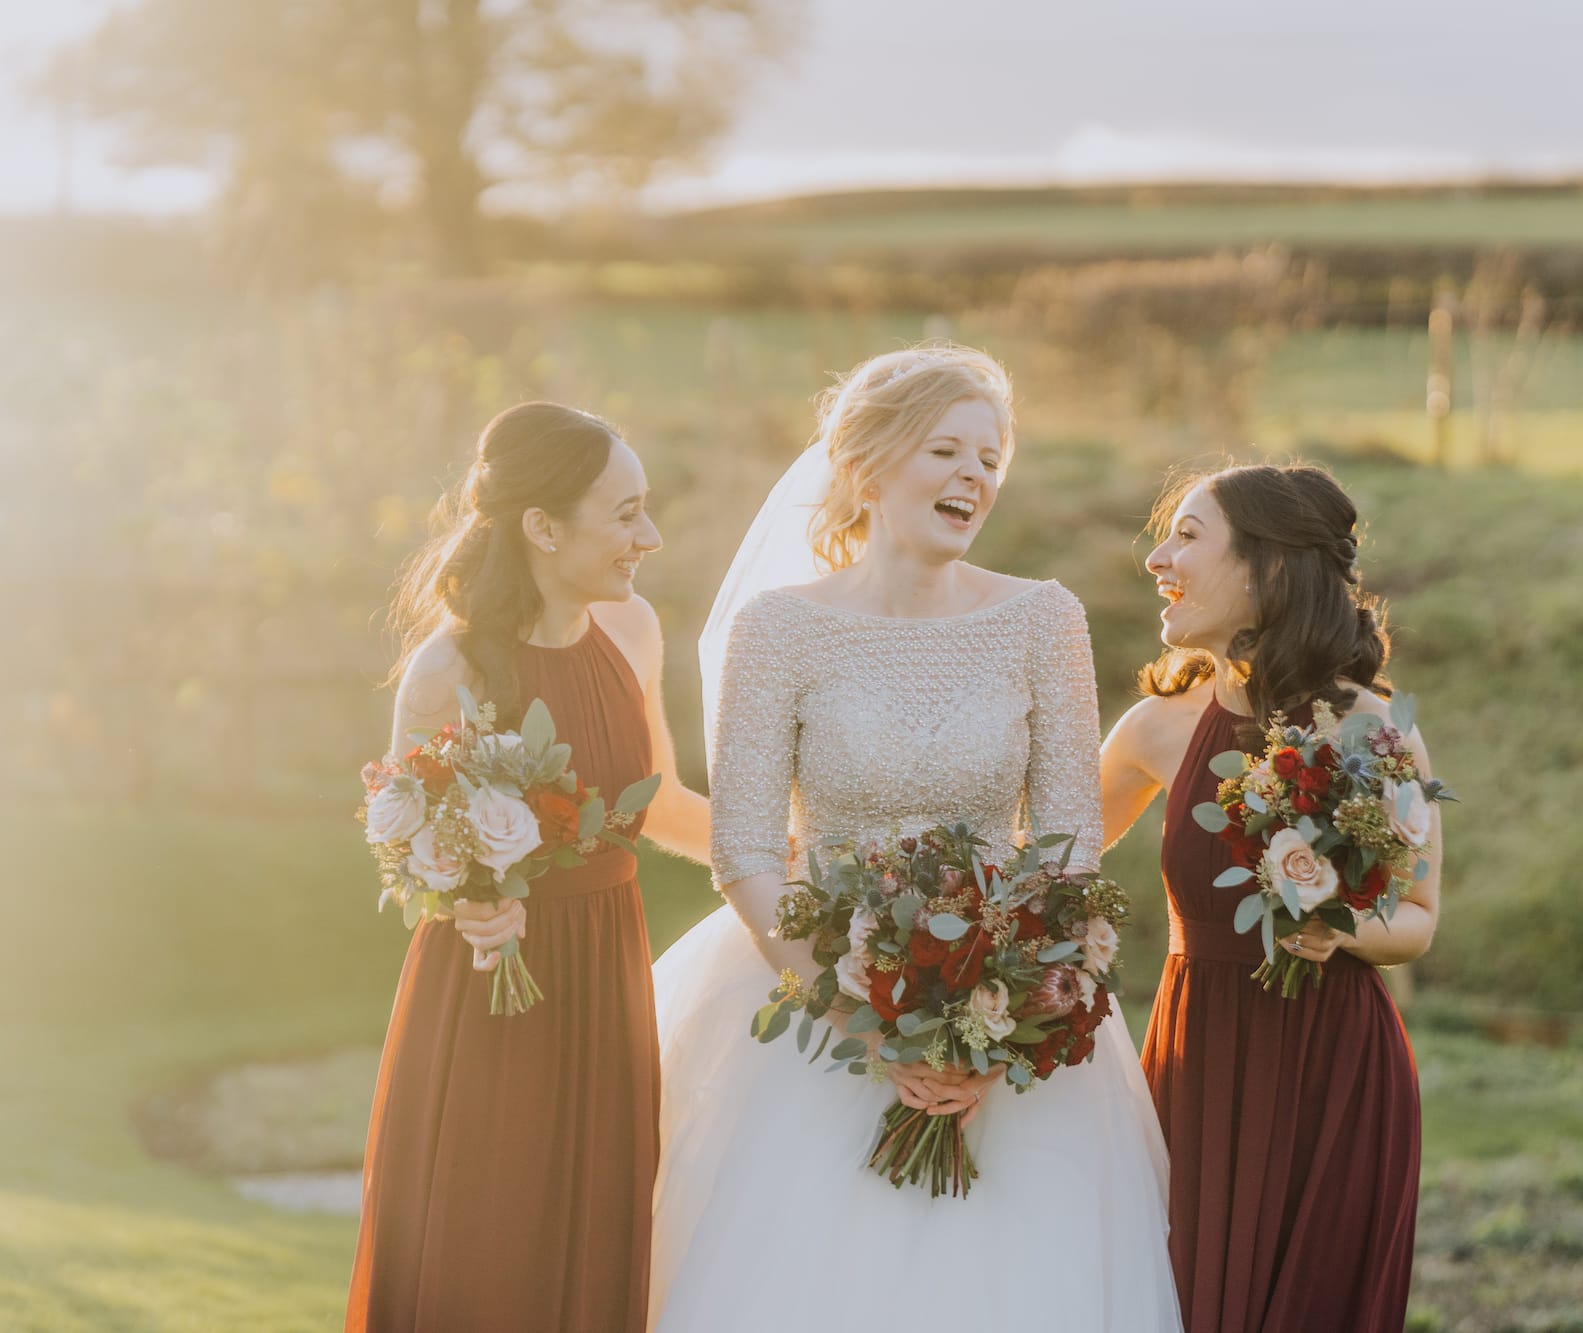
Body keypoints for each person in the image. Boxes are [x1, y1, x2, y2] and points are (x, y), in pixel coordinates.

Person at [646, 345, 1180, 1332]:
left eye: (991, 457)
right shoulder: (779, 629)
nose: (976, 475)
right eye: (947, 450)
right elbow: (746, 853)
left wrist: (1002, 1013)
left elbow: (1065, 844)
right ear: (868, 466)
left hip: (1008, 1006)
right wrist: (863, 1018)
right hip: (811, 1008)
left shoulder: (1040, 618)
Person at [347, 402, 709, 1333]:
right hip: (491, 997)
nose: (650, 537)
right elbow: (402, 835)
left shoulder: (632, 633)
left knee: (594, 1252)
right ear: (543, 527)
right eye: (625, 513)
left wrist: (790, 853)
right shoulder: (450, 667)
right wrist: (466, 899)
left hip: (607, 988)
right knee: (487, 1255)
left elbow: (657, 800)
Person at [1099, 462, 1440, 1332]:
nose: (1157, 559)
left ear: (1270, 568)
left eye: (1188, 534)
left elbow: (1417, 920)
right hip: (1198, 1066)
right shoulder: (1154, 730)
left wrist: (1339, 922)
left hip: (1335, 1076)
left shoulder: (1372, 730)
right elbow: (1040, 861)